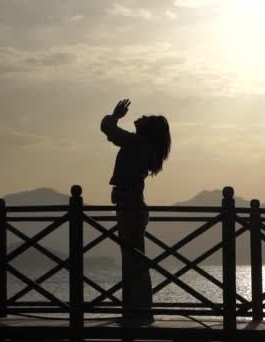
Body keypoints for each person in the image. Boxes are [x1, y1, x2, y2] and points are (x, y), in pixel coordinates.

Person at [100, 99, 171, 325]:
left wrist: (115, 115)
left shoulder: (137, 143)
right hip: (132, 205)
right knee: (134, 260)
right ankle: (136, 310)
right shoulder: (143, 146)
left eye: (145, 119)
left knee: (133, 262)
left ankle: (138, 311)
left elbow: (109, 130)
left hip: (130, 206)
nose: (139, 118)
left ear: (147, 128)